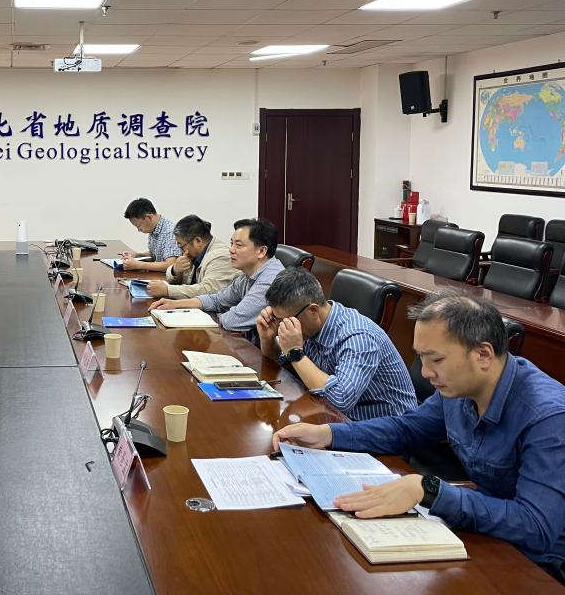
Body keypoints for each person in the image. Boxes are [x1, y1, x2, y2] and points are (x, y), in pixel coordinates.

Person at [273, 292, 565, 583]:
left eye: (435, 359)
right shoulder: (459, 390)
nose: (425, 372)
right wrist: (329, 434)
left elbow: (536, 527)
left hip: (540, 564)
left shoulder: (548, 416)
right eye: (421, 357)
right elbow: (406, 429)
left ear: (483, 355)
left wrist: (430, 490)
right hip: (484, 532)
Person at [254, 267, 415, 420]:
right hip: (338, 417)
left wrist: (296, 353)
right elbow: (282, 364)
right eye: (277, 319)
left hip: (388, 426)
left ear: (313, 311)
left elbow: (340, 401)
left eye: (284, 320)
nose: (281, 326)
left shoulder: (359, 336)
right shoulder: (311, 325)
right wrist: (268, 339)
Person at [150, 217, 283, 335]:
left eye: (238, 245)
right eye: (231, 243)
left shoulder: (270, 281)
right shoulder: (247, 275)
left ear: (261, 251)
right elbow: (216, 300)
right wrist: (176, 304)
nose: (231, 250)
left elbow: (232, 320)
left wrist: (214, 314)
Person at [146, 214, 238, 299]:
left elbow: (208, 291)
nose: (181, 250)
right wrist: (175, 270)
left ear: (198, 241)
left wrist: (168, 290)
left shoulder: (220, 256)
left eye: (181, 245)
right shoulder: (194, 254)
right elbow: (180, 280)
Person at [119, 198, 180, 272]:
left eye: (139, 226)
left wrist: (137, 264)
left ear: (149, 217)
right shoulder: (154, 229)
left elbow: (171, 265)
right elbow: (155, 254)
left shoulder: (170, 232)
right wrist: (137, 255)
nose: (139, 230)